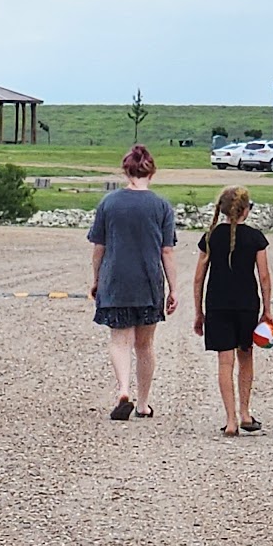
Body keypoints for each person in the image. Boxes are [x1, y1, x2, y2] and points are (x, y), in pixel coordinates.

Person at [88, 145, 177, 420]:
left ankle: (123, 390)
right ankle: (143, 403)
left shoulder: (109, 203)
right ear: (152, 172)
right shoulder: (161, 206)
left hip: (116, 280)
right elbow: (167, 251)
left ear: (126, 171)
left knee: (120, 340)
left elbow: (99, 247)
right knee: (145, 344)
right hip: (149, 283)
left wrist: (96, 279)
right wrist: (173, 288)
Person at [192, 186, 273, 436]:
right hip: (246, 304)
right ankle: (245, 412)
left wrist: (198, 311)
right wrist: (267, 309)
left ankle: (230, 420)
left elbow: (198, 278)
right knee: (245, 357)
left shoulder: (211, 237)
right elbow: (264, 276)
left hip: (217, 304)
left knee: (224, 362)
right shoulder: (255, 238)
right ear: (245, 210)